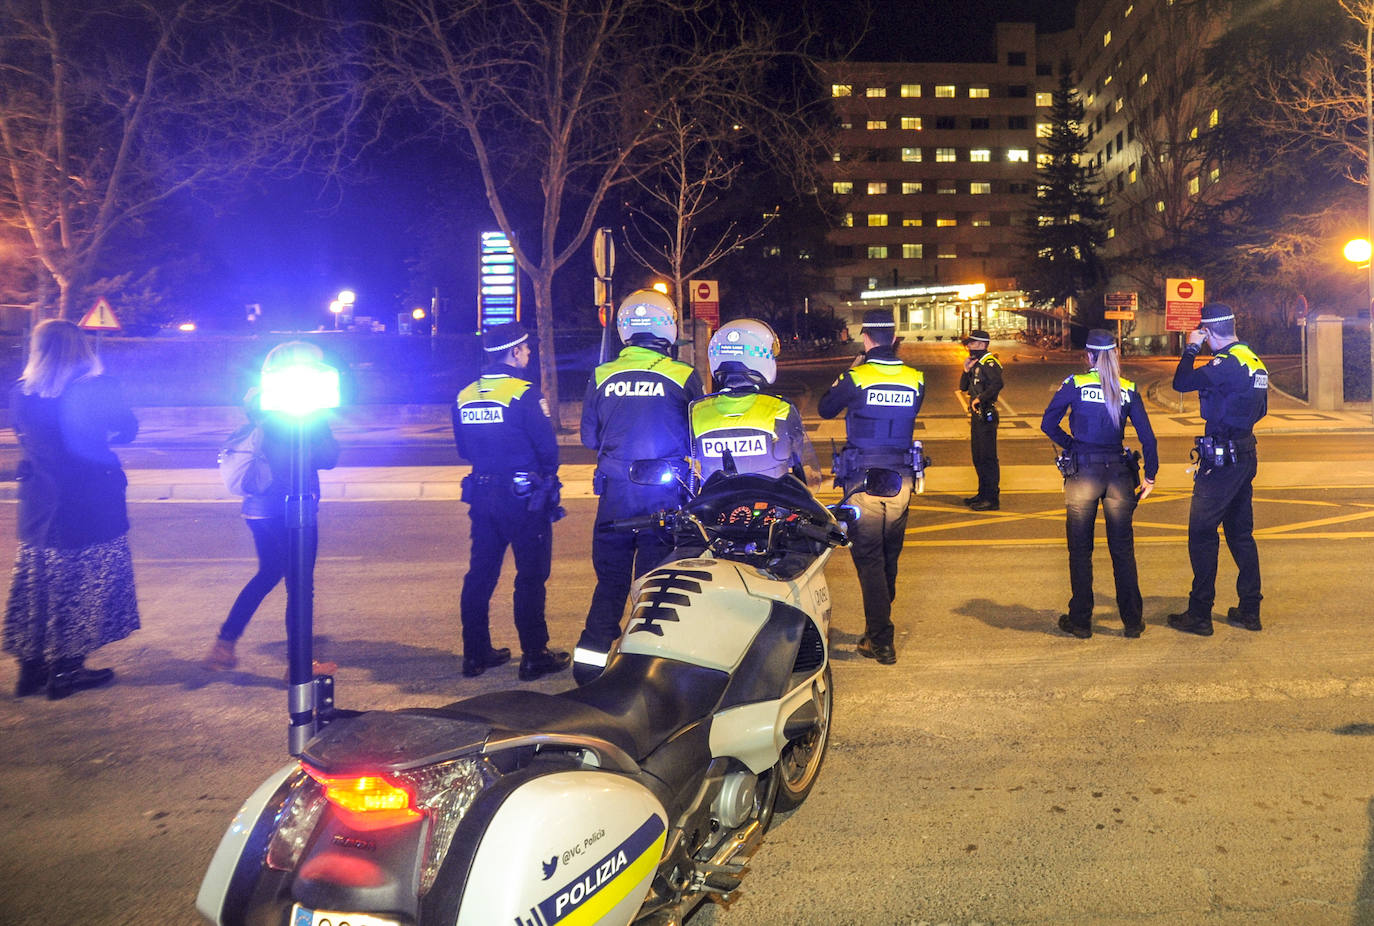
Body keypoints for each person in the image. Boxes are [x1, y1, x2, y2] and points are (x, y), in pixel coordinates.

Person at [4, 319, 139, 699]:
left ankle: (30, 671)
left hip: (40, 505)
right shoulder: (98, 388)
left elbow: (25, 436)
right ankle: (66, 671)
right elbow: (127, 429)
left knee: (38, 585)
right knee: (84, 585)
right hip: (90, 503)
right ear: (81, 349)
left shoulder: (21, 393)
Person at [573, 290, 703, 685]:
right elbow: (700, 433)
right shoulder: (682, 375)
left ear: (625, 329)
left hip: (614, 496)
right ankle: (645, 670)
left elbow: (588, 437)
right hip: (663, 498)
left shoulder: (601, 375)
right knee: (654, 587)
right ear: (668, 327)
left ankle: (588, 667)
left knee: (611, 581)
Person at [201, 342, 341, 674]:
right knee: (300, 585)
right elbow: (329, 458)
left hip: (258, 510)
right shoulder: (306, 411)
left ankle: (224, 645)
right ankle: (300, 665)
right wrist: (320, 422)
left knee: (267, 574)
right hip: (294, 510)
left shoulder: (258, 404)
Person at [453, 322, 570, 680]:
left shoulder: (465, 394)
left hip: (482, 493)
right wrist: (545, 479)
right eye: (526, 349)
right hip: (522, 499)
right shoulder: (524, 393)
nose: (530, 353)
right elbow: (548, 451)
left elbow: (462, 449)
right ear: (515, 351)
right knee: (530, 577)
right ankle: (534, 655)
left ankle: (475, 655)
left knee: (480, 575)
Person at [817, 309, 924, 665]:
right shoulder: (915, 378)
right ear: (893, 338)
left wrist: (852, 368)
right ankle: (877, 628)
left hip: (863, 480)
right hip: (901, 479)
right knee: (888, 556)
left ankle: (881, 640)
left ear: (866, 339)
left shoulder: (856, 376)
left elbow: (826, 408)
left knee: (869, 559)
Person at [1040, 329, 1159, 639]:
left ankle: (1081, 621)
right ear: (1115, 355)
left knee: (1080, 551)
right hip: (1119, 475)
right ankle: (1132, 621)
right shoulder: (1128, 388)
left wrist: (1071, 445)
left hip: (1083, 473)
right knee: (1123, 551)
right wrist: (1150, 476)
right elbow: (1148, 438)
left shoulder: (1075, 384)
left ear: (1089, 356)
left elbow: (1047, 423)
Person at [1167, 304, 1268, 635]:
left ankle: (1199, 614)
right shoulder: (1253, 360)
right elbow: (1261, 411)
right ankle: (1250, 610)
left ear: (1208, 331)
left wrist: (1191, 348)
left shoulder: (1225, 363)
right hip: (1245, 452)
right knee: (1240, 534)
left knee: (1201, 533)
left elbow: (1181, 383)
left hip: (1222, 461)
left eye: (1203, 334)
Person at [690, 318, 819, 485]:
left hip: (717, 507)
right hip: (770, 504)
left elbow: (692, 465)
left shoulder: (698, 411)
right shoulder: (780, 409)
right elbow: (798, 461)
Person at [960, 329, 1003, 510]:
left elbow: (998, 384)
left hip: (986, 413)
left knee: (987, 457)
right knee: (978, 456)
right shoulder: (976, 363)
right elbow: (963, 387)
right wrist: (965, 370)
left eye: (972, 343)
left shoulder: (989, 362)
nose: (968, 346)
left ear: (982, 345)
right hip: (977, 416)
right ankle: (982, 493)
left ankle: (991, 498)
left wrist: (981, 398)